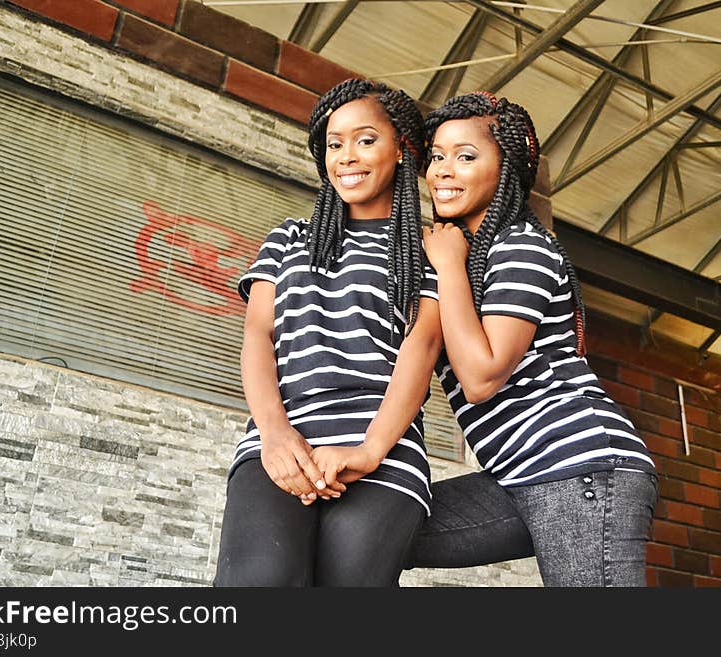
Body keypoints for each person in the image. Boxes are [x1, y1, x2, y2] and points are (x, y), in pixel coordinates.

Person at [409, 92, 658, 586]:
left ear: (506, 170)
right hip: (515, 473)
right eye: (437, 156)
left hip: (578, 465)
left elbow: (482, 376)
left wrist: (449, 264)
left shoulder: (521, 245)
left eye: (465, 156)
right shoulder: (458, 256)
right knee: (382, 530)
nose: (443, 170)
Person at [213, 79, 441, 587]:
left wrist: (368, 451)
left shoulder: (430, 251)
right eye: (334, 144)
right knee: (259, 582)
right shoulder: (289, 237)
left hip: (382, 452)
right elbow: (258, 335)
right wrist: (273, 434)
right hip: (281, 444)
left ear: (402, 149)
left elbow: (419, 353)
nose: (347, 157)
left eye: (365, 140)